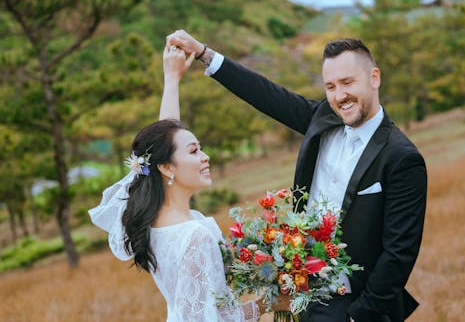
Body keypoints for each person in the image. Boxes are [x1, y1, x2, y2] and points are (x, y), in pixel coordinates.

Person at [166, 30, 427, 322]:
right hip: (300, 293)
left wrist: (359, 316)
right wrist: (204, 52)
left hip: (352, 303)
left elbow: (399, 252)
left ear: (374, 78)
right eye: (330, 86)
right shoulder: (323, 118)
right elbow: (266, 94)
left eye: (348, 82)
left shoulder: (403, 158)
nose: (339, 96)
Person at [88, 45, 290, 321]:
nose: (206, 157)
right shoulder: (194, 235)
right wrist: (268, 304)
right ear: (167, 168)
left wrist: (172, 79)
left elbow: (164, 142)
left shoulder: (156, 221)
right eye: (194, 151)